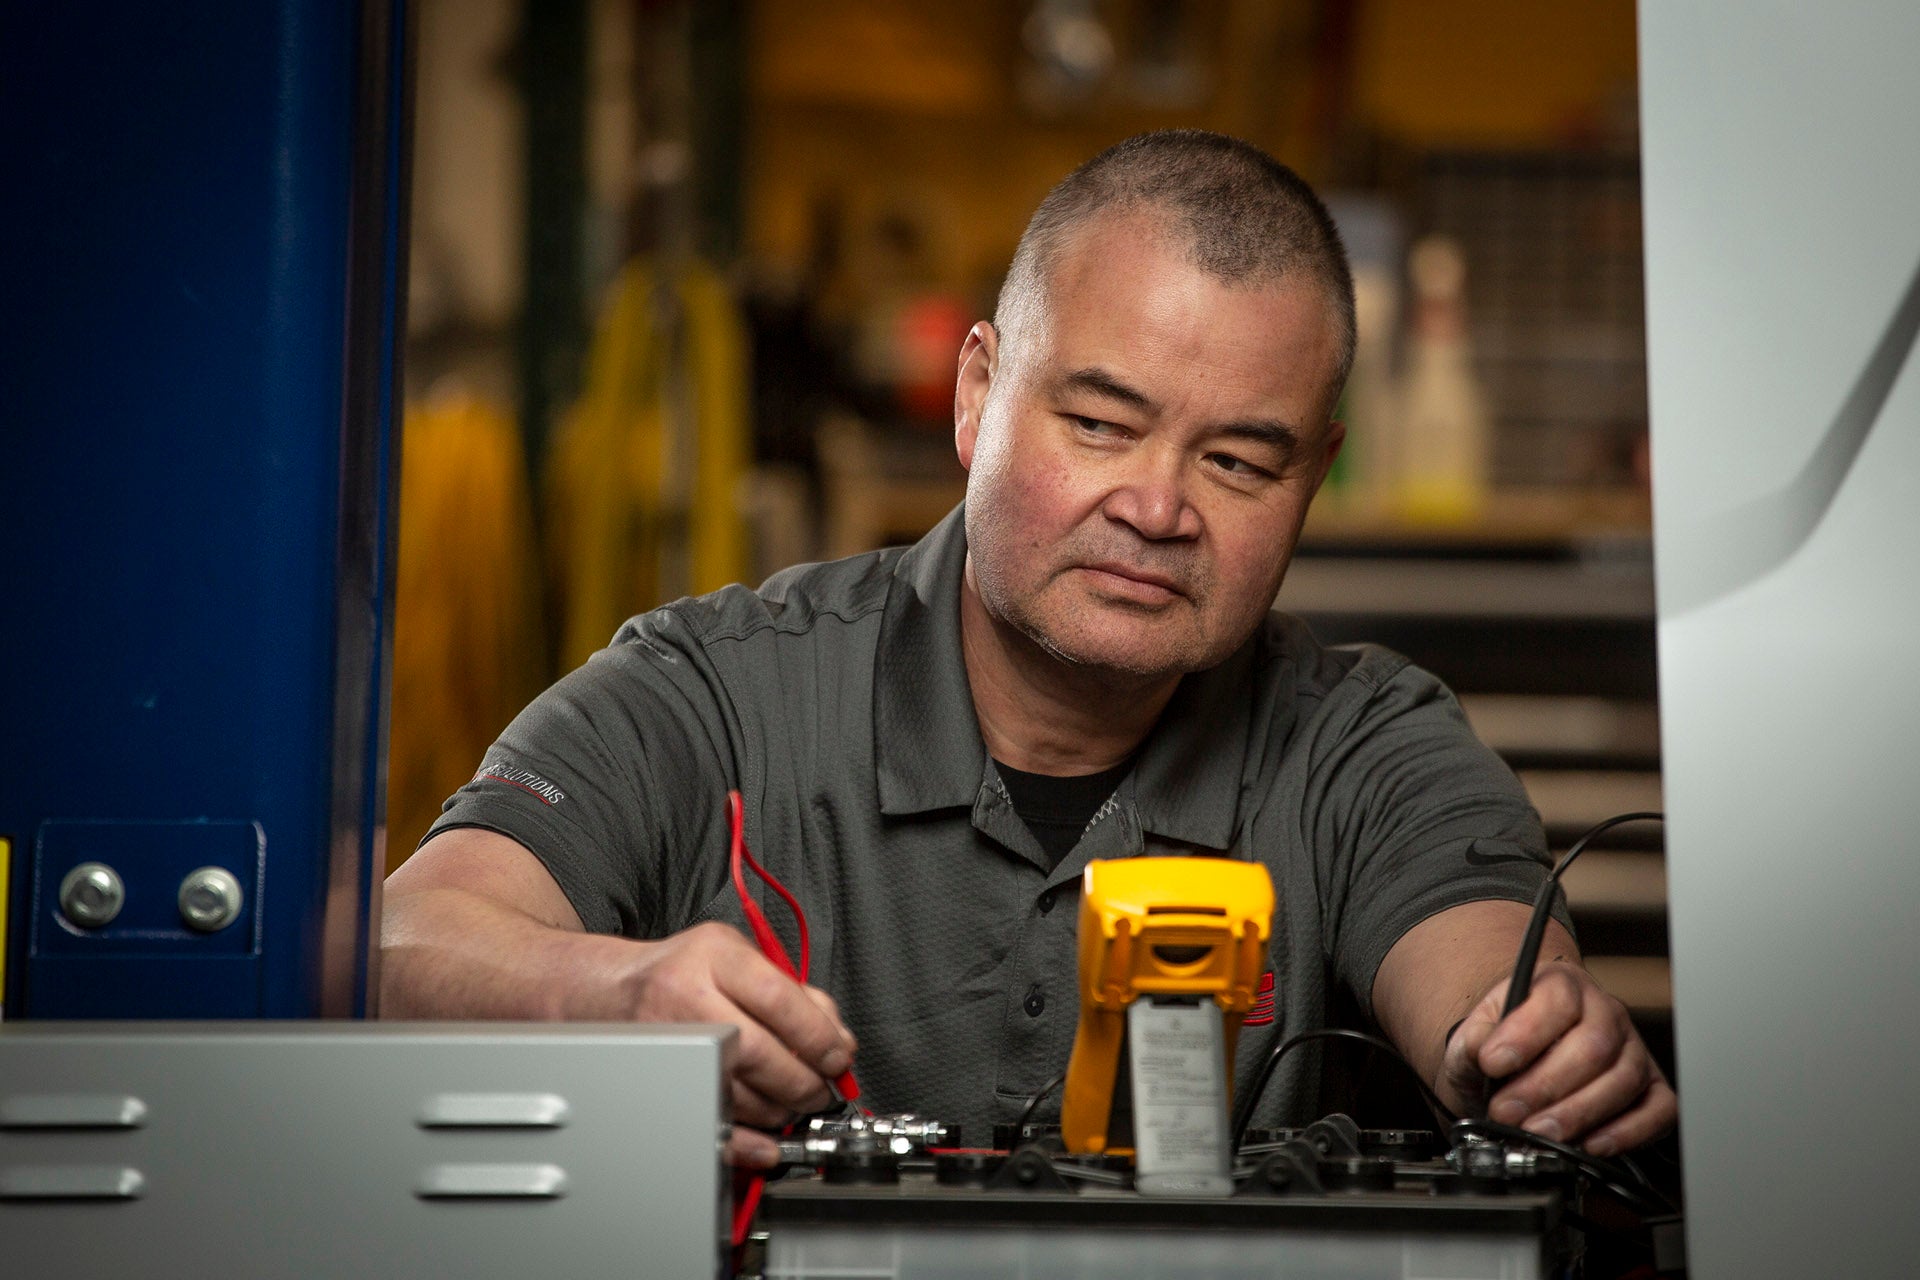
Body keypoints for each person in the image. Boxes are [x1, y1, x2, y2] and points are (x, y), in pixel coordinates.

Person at [380, 131, 1676, 1168]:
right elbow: (401, 947)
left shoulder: (1365, 744)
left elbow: (1478, 970)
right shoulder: (716, 692)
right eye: (1103, 426)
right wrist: (614, 999)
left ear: (1314, 479)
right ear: (975, 393)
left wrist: (1527, 1042)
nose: (1159, 509)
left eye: (1237, 460)